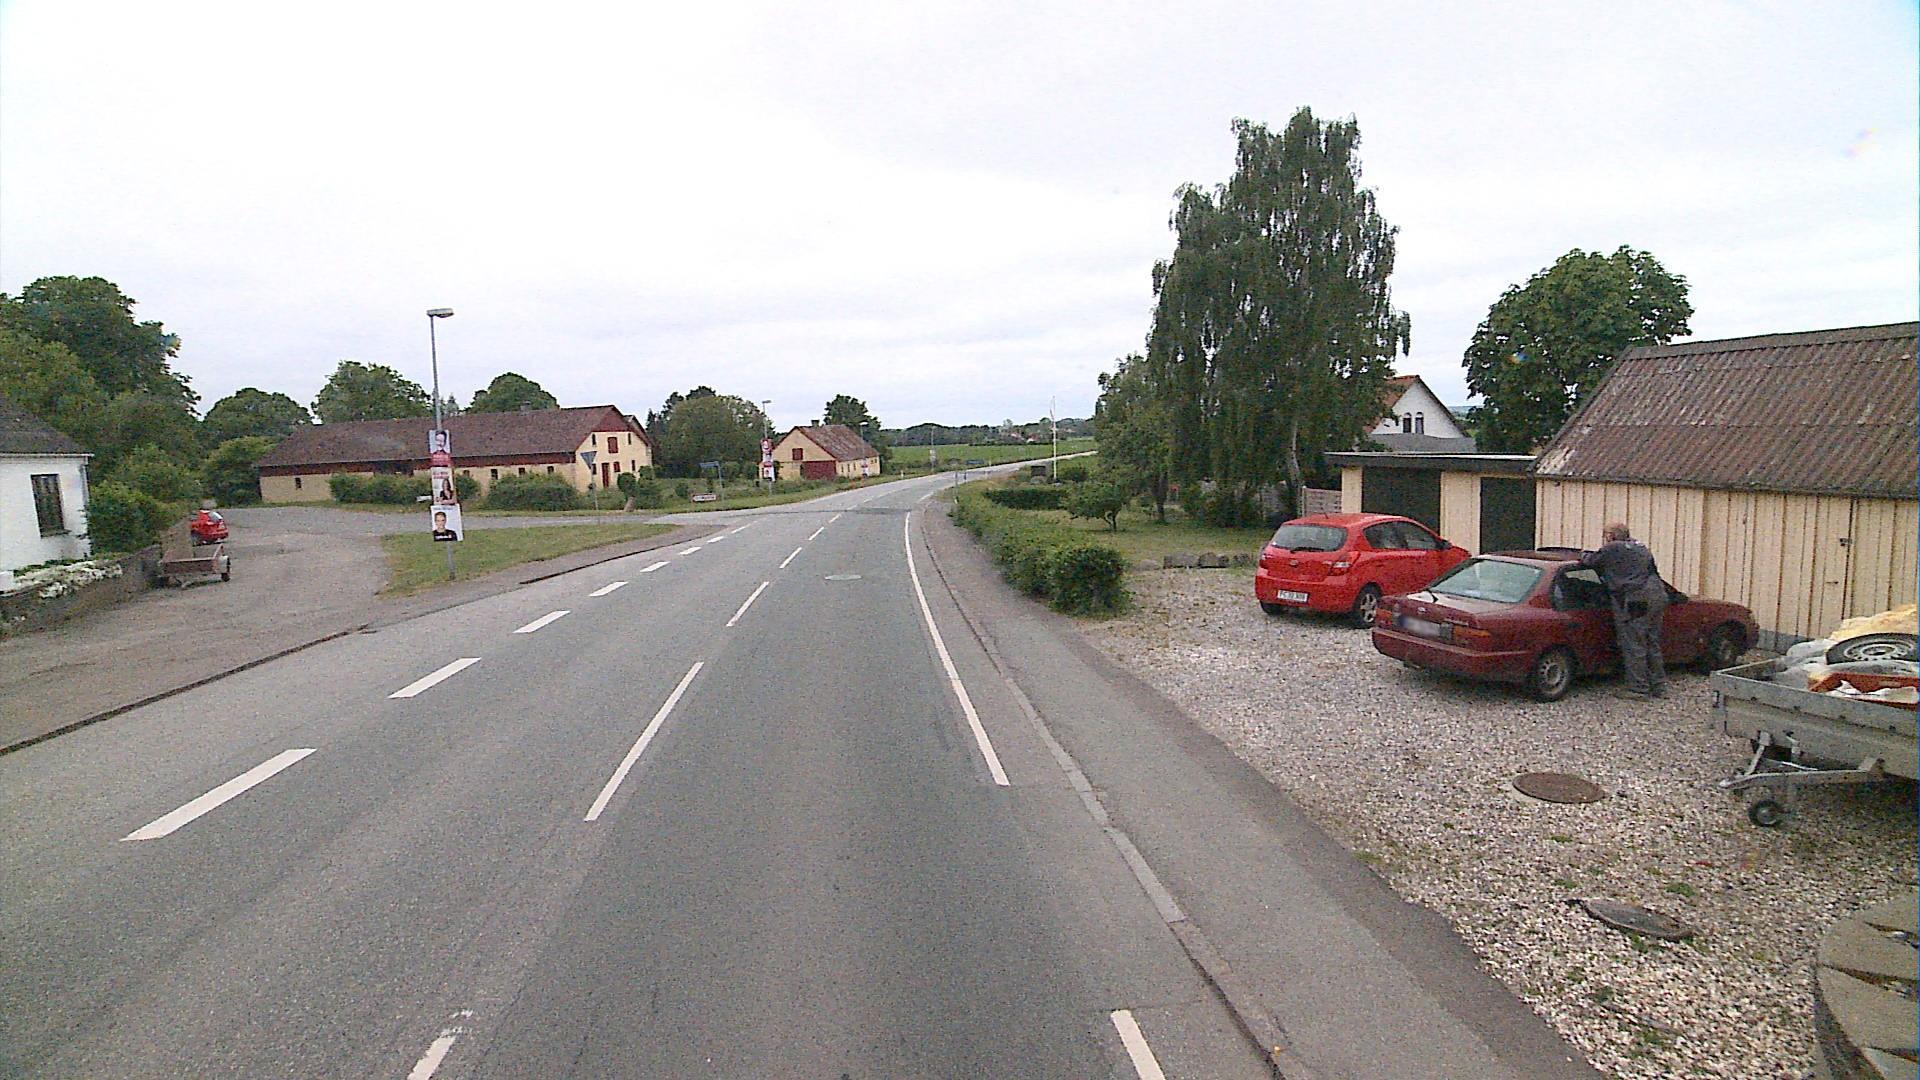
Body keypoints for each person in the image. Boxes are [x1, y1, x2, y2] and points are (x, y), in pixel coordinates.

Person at [1580, 522, 1667, 699]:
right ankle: (1659, 687)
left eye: (1605, 535)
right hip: (1658, 595)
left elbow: (1590, 560)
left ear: (1611, 535)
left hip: (1636, 598)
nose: (1604, 538)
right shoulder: (1640, 546)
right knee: (1652, 642)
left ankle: (1638, 689)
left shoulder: (1612, 548)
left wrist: (1581, 553)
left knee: (1634, 643)